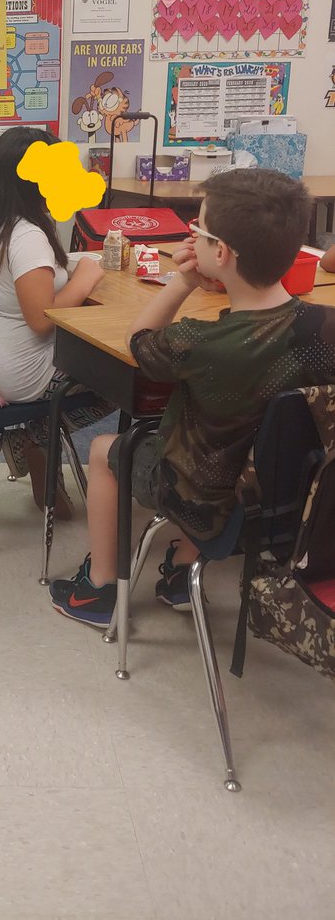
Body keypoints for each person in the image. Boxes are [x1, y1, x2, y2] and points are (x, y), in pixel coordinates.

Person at [51, 168, 335, 627]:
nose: (192, 237)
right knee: (232, 442)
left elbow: (139, 342)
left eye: (197, 231)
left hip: (211, 499)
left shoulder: (199, 342)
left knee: (107, 451)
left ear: (219, 253)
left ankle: (99, 588)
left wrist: (181, 282)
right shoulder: (327, 328)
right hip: (292, 502)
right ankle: (183, 573)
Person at [0, 126, 112, 519]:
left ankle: (37, 448)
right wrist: (86, 277)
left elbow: (17, 282)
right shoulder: (25, 236)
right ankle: (37, 435)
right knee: (128, 377)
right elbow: (43, 320)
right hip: (26, 375)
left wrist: (69, 269)